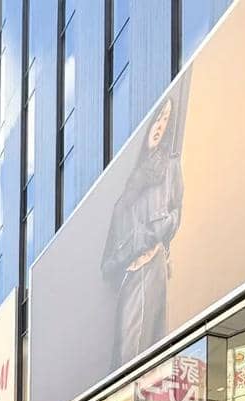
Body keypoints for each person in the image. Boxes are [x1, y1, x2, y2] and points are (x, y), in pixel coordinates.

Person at [101, 95, 183, 369]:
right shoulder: (126, 193)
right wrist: (132, 250)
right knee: (125, 359)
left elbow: (174, 216)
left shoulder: (170, 168)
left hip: (153, 267)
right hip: (131, 275)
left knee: (141, 355)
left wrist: (148, 238)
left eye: (165, 120)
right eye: (157, 118)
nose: (160, 126)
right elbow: (108, 263)